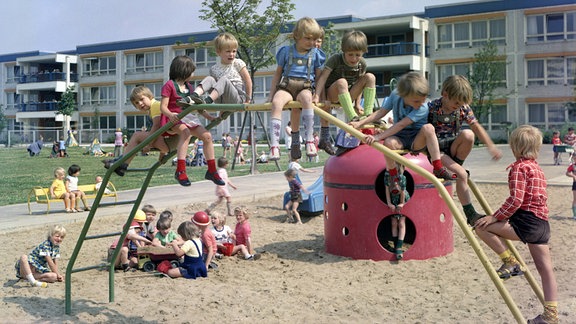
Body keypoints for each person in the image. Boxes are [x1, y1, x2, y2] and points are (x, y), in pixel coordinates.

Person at [473, 125, 558, 324]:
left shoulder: (519, 167)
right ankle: (551, 314)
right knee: (546, 269)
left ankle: (509, 261)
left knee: (481, 226)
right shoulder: (537, 168)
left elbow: (516, 200)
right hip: (542, 223)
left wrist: (495, 217)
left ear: (515, 148)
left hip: (526, 222)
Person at [351, 71, 455, 183]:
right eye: (417, 101)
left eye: (424, 99)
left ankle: (438, 167)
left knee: (428, 128)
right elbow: (380, 113)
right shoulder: (395, 95)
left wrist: (378, 137)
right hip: (400, 137)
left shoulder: (423, 107)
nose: (421, 103)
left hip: (417, 139)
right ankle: (393, 175)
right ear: (404, 95)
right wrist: (359, 123)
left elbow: (401, 124)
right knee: (388, 143)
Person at [427, 75, 502, 226]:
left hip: (452, 148)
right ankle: (470, 214)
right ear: (445, 94)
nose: (459, 106)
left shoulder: (463, 109)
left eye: (462, 103)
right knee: (462, 175)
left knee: (468, 135)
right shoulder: (432, 108)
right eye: (456, 103)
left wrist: (491, 146)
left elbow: (476, 127)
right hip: (437, 153)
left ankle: (456, 167)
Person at [159, 55, 223, 187]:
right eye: (191, 71)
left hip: (187, 117)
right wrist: (171, 115)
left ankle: (211, 170)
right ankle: (180, 170)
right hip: (173, 118)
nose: (193, 74)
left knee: (207, 136)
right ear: (184, 71)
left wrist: (210, 117)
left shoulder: (190, 87)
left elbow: (197, 107)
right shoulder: (169, 85)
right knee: (186, 133)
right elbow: (163, 107)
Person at [267, 17, 325, 161]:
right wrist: (271, 94)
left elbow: (319, 77)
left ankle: (310, 140)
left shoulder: (315, 54)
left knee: (307, 99)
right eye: (308, 39)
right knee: (276, 102)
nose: (312, 43)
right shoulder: (286, 51)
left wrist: (318, 95)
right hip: (287, 86)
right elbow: (278, 74)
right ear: (297, 36)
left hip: (305, 86)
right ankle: (274, 146)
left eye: (315, 39)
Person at [313, 30, 376, 155]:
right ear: (344, 51)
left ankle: (368, 114)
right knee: (342, 82)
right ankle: (353, 116)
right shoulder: (336, 59)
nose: (354, 58)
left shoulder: (362, 64)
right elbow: (323, 78)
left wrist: (358, 104)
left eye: (357, 55)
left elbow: (361, 84)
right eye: (350, 54)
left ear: (363, 52)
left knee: (370, 77)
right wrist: (318, 96)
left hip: (348, 95)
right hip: (333, 93)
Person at [103, 86, 171, 176]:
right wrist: (162, 153)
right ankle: (120, 160)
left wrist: (149, 144)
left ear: (149, 96)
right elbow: (162, 128)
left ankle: (122, 164)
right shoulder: (153, 108)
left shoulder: (155, 105)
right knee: (137, 139)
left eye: (142, 99)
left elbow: (157, 127)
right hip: (168, 142)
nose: (140, 103)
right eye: (136, 103)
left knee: (137, 136)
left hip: (168, 141)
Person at [178, 32, 252, 108]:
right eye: (228, 51)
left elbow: (248, 81)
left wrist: (248, 100)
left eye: (234, 51)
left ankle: (207, 101)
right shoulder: (214, 69)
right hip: (221, 100)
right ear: (218, 52)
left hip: (236, 98)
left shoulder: (237, 63)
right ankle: (193, 96)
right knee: (209, 79)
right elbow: (217, 87)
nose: (231, 54)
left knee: (224, 79)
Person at [383, 167, 410, 260]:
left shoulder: (402, 178)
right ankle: (395, 245)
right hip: (393, 198)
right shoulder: (387, 176)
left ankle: (399, 246)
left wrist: (401, 203)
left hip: (402, 198)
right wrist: (389, 203)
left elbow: (402, 192)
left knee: (401, 223)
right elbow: (387, 190)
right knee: (394, 222)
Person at [566, 155, 576, 220]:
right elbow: (567, 173)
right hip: (575, 183)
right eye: (575, 158)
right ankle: (575, 214)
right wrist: (573, 176)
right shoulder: (573, 166)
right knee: (575, 199)